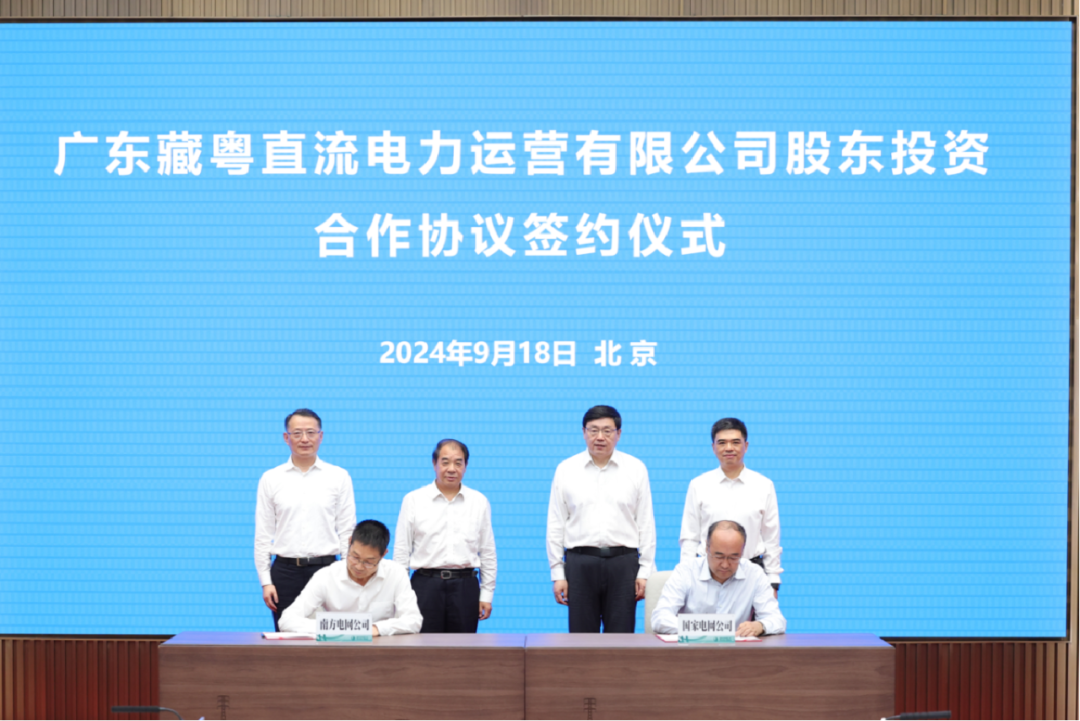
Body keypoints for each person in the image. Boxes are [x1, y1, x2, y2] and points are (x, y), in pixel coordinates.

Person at [546, 405, 656, 633]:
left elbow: (645, 523)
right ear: (583, 432)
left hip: (623, 565)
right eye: (593, 430)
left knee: (621, 638)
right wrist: (557, 573)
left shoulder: (636, 468)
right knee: (581, 641)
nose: (600, 437)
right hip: (579, 563)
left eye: (607, 431)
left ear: (619, 433)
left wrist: (645, 572)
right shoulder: (566, 469)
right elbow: (556, 524)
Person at [254, 409, 357, 630]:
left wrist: (346, 575)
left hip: (327, 570)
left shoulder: (338, 476)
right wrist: (266, 582)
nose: (304, 439)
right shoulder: (271, 478)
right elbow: (263, 535)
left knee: (329, 636)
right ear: (286, 437)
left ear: (321, 436)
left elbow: (347, 531)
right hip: (285, 573)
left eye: (310, 432)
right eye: (297, 433)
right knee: (287, 639)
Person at [393, 439, 497, 633]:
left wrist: (487, 594)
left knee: (463, 649)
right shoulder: (413, 500)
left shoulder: (479, 501)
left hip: (465, 587)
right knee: (421, 646)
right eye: (445, 462)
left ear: (466, 466)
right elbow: (401, 551)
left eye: (458, 463)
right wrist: (400, 596)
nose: (451, 469)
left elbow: (488, 551)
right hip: (424, 586)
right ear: (434, 464)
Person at [679, 418, 783, 595]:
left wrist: (773, 581)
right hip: (707, 573)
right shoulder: (699, 485)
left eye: (735, 442)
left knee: (752, 616)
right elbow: (690, 537)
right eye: (722, 443)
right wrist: (686, 577)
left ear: (746, 446)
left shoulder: (764, 485)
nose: (729, 448)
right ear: (713, 447)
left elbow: (771, 539)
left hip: (751, 571)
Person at [279, 519, 422, 636]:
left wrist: (376, 628)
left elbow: (414, 620)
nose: (359, 567)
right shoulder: (326, 576)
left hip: (380, 651)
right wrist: (344, 627)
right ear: (349, 542)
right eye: (355, 557)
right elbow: (286, 620)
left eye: (369, 562)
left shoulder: (396, 574)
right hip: (337, 650)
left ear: (383, 554)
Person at [652, 520, 786, 637]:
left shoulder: (755, 574)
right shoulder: (685, 571)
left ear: (742, 551)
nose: (725, 564)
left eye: (733, 557)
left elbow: (777, 620)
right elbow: (660, 618)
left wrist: (760, 626)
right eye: (719, 556)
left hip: (736, 653)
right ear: (707, 548)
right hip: (691, 651)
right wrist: (712, 629)